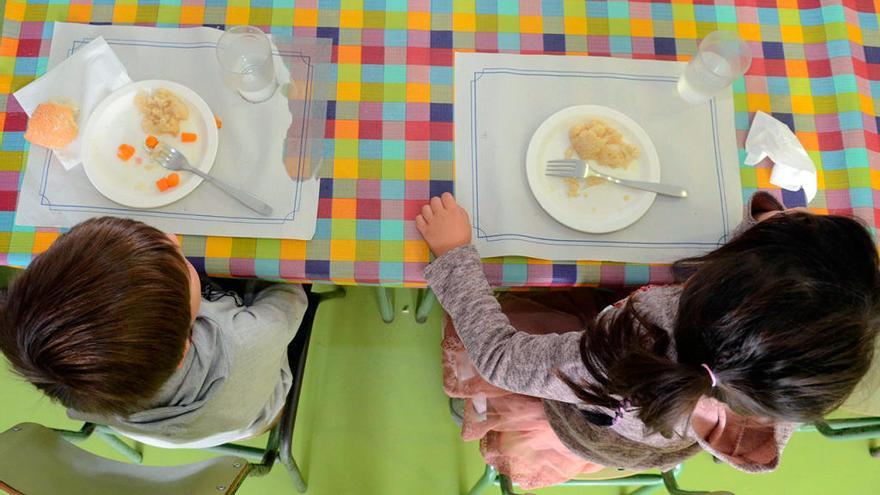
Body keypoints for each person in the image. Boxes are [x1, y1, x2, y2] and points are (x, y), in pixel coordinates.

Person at [416, 191, 880, 489]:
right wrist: (770, 227)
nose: (799, 211)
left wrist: (455, 255)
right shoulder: (785, 381)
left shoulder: (626, 348)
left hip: (589, 412)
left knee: (514, 321)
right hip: (655, 434)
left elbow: (500, 357)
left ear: (715, 282)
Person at [0, 217, 308, 448]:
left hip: (155, 427)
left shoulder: (80, 379)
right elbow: (290, 297)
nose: (172, 237)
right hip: (255, 414)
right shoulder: (249, 337)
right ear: (182, 350)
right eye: (181, 262)